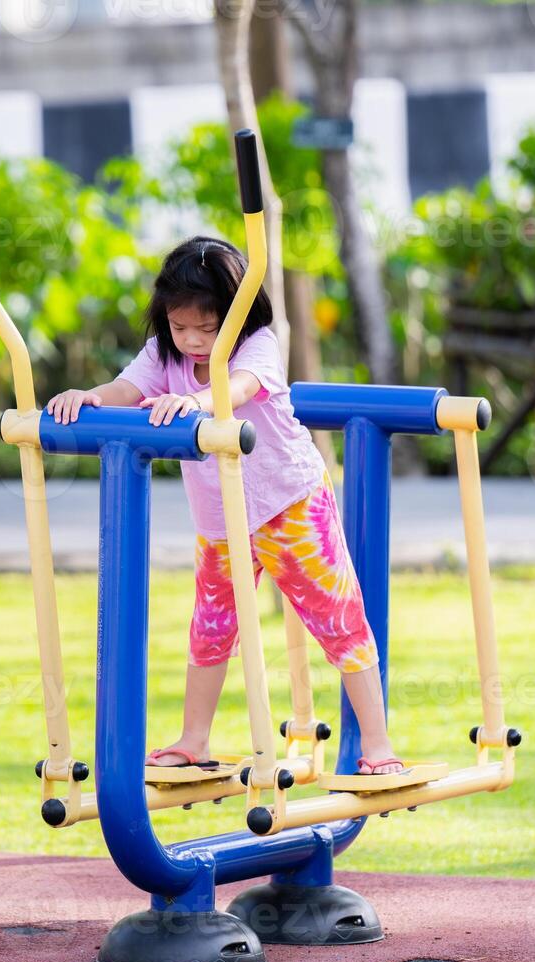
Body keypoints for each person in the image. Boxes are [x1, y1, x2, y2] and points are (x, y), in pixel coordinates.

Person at [45, 236, 403, 776]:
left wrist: (193, 401)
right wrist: (90, 396)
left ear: (234, 318)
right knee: (210, 630)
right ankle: (194, 739)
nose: (190, 340)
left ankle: (376, 746)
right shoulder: (163, 353)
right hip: (220, 524)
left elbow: (237, 388)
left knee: (338, 621)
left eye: (205, 329)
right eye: (178, 326)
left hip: (289, 505)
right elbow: (126, 387)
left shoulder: (256, 345)